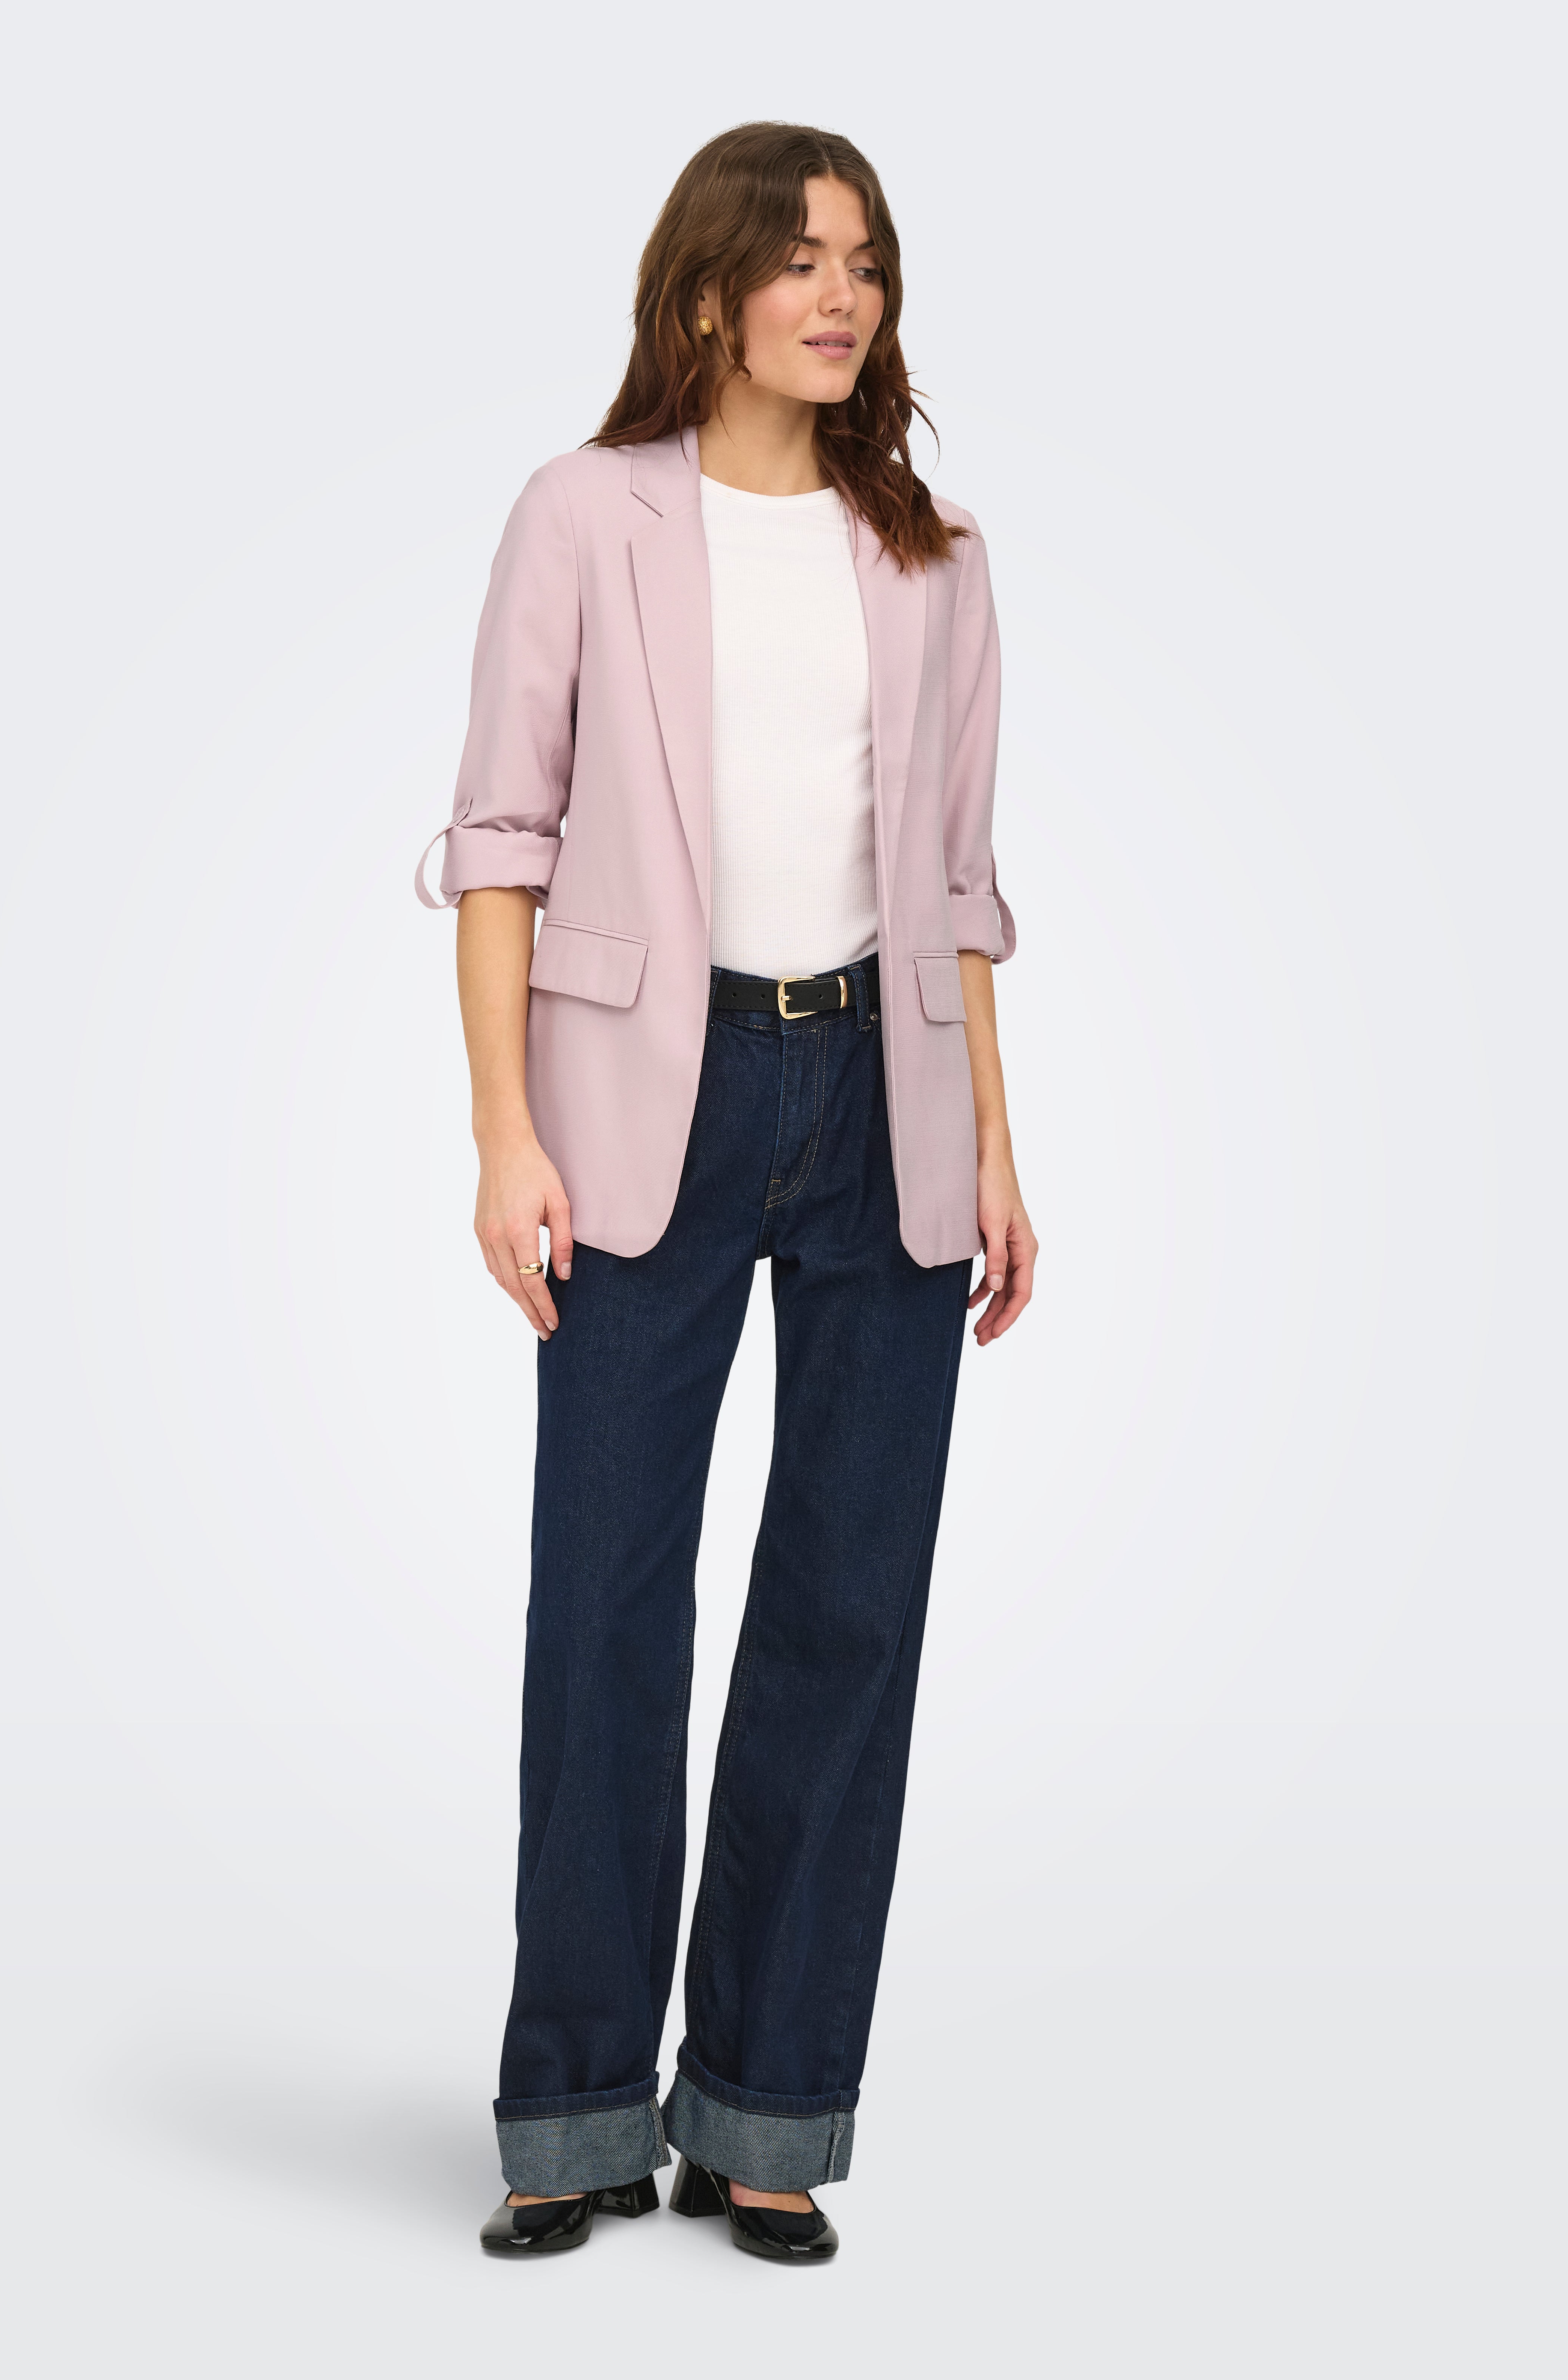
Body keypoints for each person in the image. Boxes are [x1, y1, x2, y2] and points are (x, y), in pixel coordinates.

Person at [418, 120, 1037, 2263]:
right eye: (799, 258)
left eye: (864, 259)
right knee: (607, 1596)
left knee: (849, 1605)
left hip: (884, 1094)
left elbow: (957, 882)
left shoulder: (936, 554)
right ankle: (578, 2110)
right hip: (639, 1099)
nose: (839, 293)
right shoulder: (583, 514)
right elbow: (500, 838)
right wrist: (503, 1131)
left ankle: (767, 2105)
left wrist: (998, 1144)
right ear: (707, 294)